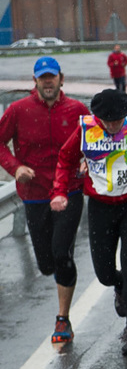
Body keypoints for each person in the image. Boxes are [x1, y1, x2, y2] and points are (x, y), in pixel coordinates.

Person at [51, 90, 127, 355]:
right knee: (104, 273)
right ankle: (119, 284)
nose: (112, 126)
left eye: (117, 121)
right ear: (97, 116)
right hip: (100, 207)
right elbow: (65, 159)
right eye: (107, 121)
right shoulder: (86, 129)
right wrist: (59, 192)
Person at [0, 57, 89, 344]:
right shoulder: (18, 110)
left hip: (69, 191)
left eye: (52, 77)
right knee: (47, 263)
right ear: (35, 80)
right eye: (43, 77)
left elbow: (95, 143)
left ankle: (62, 318)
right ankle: (54, 271)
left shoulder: (77, 110)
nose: (48, 82)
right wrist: (15, 168)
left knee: (62, 252)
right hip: (35, 194)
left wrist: (89, 161)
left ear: (61, 79)